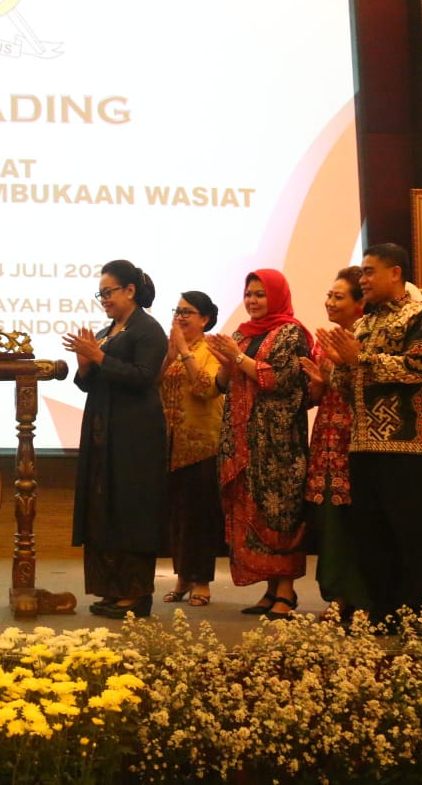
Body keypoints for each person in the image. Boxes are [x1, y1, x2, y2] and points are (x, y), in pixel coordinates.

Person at [317, 243, 422, 632]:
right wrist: (336, 369)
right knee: (371, 537)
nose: (364, 280)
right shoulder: (365, 323)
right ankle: (382, 614)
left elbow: (419, 367)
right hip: (362, 445)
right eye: (362, 273)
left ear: (395, 273)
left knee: (409, 535)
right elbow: (348, 385)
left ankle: (418, 618)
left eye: (370, 271)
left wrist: (360, 360)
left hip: (408, 445)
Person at [62, 260, 168, 620]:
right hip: (103, 431)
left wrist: (99, 356)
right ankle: (112, 587)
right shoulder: (108, 330)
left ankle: (135, 593)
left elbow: (144, 377)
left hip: (135, 436)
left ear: (130, 291)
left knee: (130, 508)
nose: (104, 299)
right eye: (101, 294)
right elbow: (90, 384)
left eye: (108, 292)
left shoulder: (148, 330)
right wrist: (85, 365)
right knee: (103, 509)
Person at [209, 269, 311, 620]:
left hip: (278, 444)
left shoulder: (291, 333)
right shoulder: (242, 334)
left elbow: (281, 379)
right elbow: (224, 383)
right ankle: (270, 589)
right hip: (243, 443)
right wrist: (226, 362)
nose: (252, 301)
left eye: (260, 294)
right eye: (248, 294)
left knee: (280, 514)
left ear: (276, 296)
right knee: (252, 511)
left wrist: (238, 358)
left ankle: (286, 591)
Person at [300, 267, 370, 622]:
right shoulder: (324, 341)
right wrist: (316, 382)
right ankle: (337, 596)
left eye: (338, 297)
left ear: (360, 303)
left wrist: (342, 367)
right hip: (325, 439)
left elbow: (369, 387)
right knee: (329, 522)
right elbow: (317, 397)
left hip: (356, 441)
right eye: (329, 295)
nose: (329, 302)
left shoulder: (368, 338)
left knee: (356, 523)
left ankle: (361, 599)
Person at [158, 291, 225, 609]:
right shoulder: (170, 347)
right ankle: (182, 577)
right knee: (177, 516)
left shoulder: (210, 349)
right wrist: (169, 356)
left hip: (202, 444)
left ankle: (201, 582)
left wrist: (184, 352)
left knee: (200, 516)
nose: (180, 316)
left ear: (205, 319)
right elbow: (155, 385)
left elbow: (206, 388)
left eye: (188, 311)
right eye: (178, 310)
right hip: (171, 444)